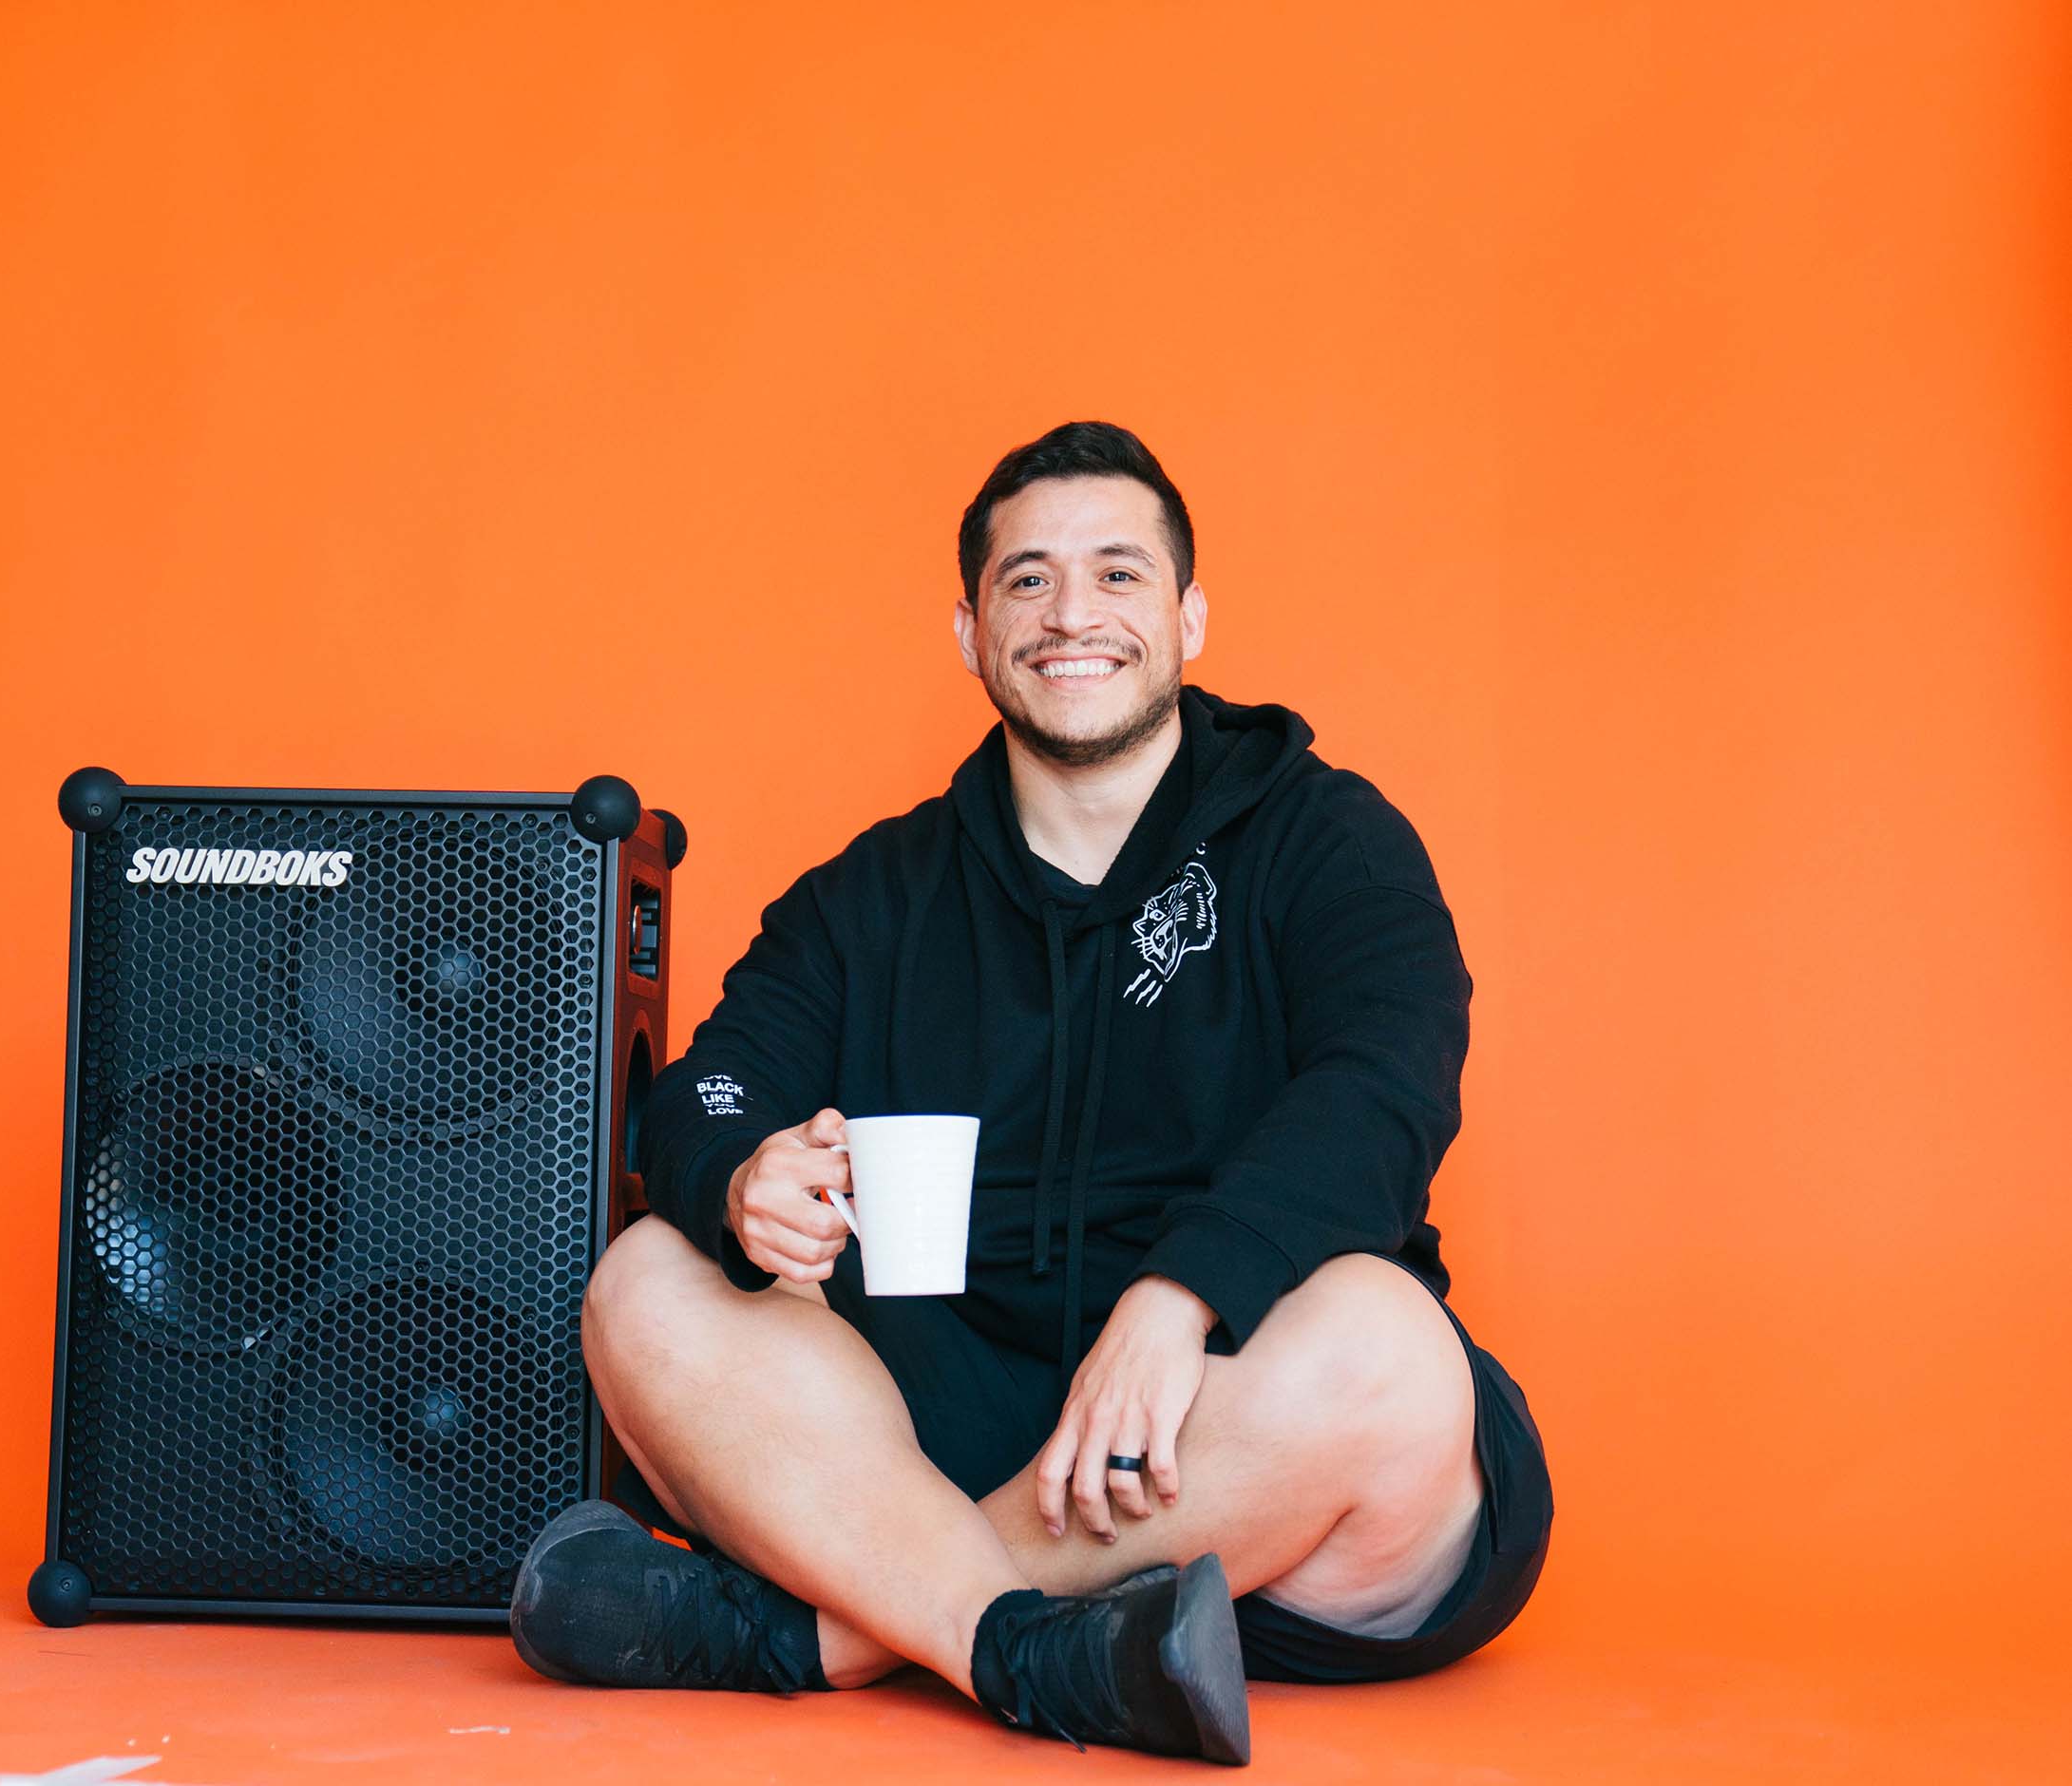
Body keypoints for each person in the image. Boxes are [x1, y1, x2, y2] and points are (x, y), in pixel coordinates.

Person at [507, 422, 1553, 1763]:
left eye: (1119, 576)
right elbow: (703, 1089)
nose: (1074, 615)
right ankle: (1033, 1654)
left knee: (1387, 1345)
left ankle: (809, 1636)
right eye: (1028, 580)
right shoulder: (871, 896)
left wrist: (1179, 1302)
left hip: (1235, 1457)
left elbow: (1387, 1088)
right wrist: (741, 1174)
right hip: (946, 1425)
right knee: (651, 1280)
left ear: (1188, 615)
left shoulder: (1326, 837)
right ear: (970, 631)